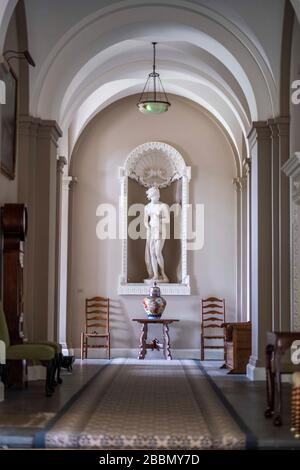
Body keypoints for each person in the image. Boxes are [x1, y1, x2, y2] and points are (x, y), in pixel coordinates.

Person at [144, 186, 170, 282]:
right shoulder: (147, 207)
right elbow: (145, 221)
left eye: (158, 195)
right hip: (151, 231)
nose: (157, 197)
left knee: (157, 252)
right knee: (151, 253)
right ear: (150, 196)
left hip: (160, 230)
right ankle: (155, 275)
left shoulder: (163, 206)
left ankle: (163, 273)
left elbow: (167, 219)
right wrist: (148, 226)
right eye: (155, 195)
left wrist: (158, 218)